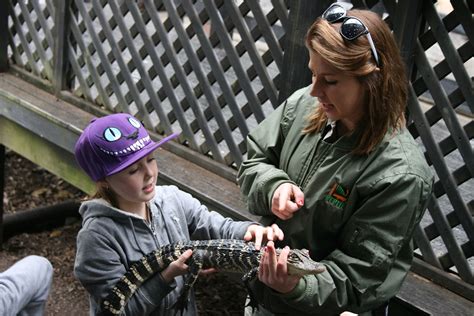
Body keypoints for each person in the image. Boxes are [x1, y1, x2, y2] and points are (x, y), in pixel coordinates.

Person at [237, 3, 433, 316]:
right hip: (262, 295)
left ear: (373, 81)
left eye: (329, 81)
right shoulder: (303, 105)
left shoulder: (400, 175)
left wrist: (296, 286)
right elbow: (253, 160)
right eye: (313, 74)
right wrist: (272, 186)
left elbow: (358, 277)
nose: (314, 91)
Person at [73, 113, 283, 315]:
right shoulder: (96, 237)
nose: (149, 173)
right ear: (103, 180)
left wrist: (249, 230)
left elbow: (214, 226)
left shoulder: (173, 199)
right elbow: (118, 311)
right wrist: (166, 277)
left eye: (151, 159)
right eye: (133, 170)